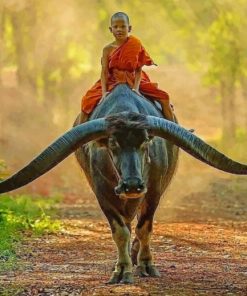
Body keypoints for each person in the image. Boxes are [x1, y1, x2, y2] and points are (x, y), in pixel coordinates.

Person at [80, 12, 175, 123]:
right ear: (111, 30)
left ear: (129, 28)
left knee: (164, 97)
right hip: (112, 80)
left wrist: (135, 88)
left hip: (134, 78)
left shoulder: (135, 44)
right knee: (86, 101)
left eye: (123, 26)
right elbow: (104, 72)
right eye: (115, 27)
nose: (119, 29)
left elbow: (138, 70)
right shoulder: (107, 49)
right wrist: (104, 92)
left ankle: (176, 131)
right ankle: (77, 135)